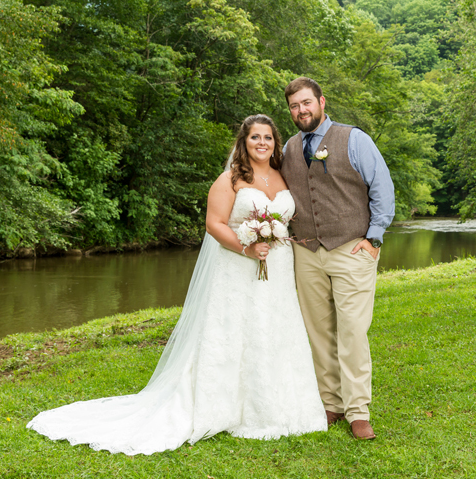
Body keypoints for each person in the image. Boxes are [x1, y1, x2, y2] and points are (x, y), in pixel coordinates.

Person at [26, 114, 327, 455]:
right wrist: (247, 247)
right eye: (255, 137)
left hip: (279, 267)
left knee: (275, 329)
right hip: (238, 266)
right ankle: (226, 405)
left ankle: (282, 404)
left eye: (268, 138)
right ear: (244, 142)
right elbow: (214, 223)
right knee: (236, 330)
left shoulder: (282, 175)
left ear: (276, 142)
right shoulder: (230, 179)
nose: (262, 143)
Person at [280, 77, 395, 440]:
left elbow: (383, 189)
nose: (301, 110)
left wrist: (374, 237)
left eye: (306, 103)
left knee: (352, 331)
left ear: (321, 102)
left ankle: (358, 410)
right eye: (294, 106)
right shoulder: (288, 147)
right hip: (307, 251)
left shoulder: (354, 139)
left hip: (351, 249)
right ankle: (330, 404)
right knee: (319, 333)